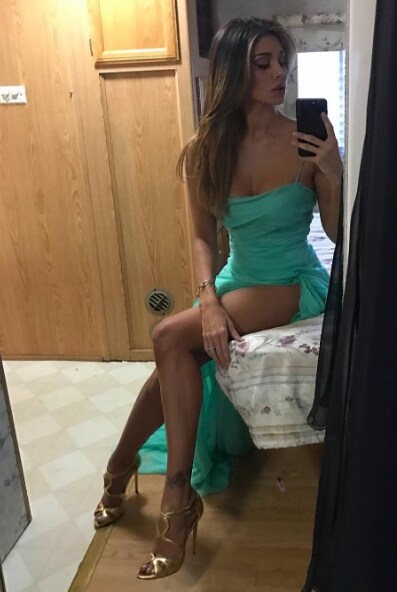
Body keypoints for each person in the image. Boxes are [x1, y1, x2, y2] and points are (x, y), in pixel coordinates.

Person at [93, 16, 343, 581]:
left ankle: (172, 498)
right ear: (233, 71)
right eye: (263, 63)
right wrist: (207, 298)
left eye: (282, 61)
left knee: (166, 336)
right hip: (234, 280)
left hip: (290, 281)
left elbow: (335, 231)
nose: (279, 73)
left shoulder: (307, 140)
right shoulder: (204, 149)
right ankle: (122, 467)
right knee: (170, 360)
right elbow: (203, 238)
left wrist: (331, 171)